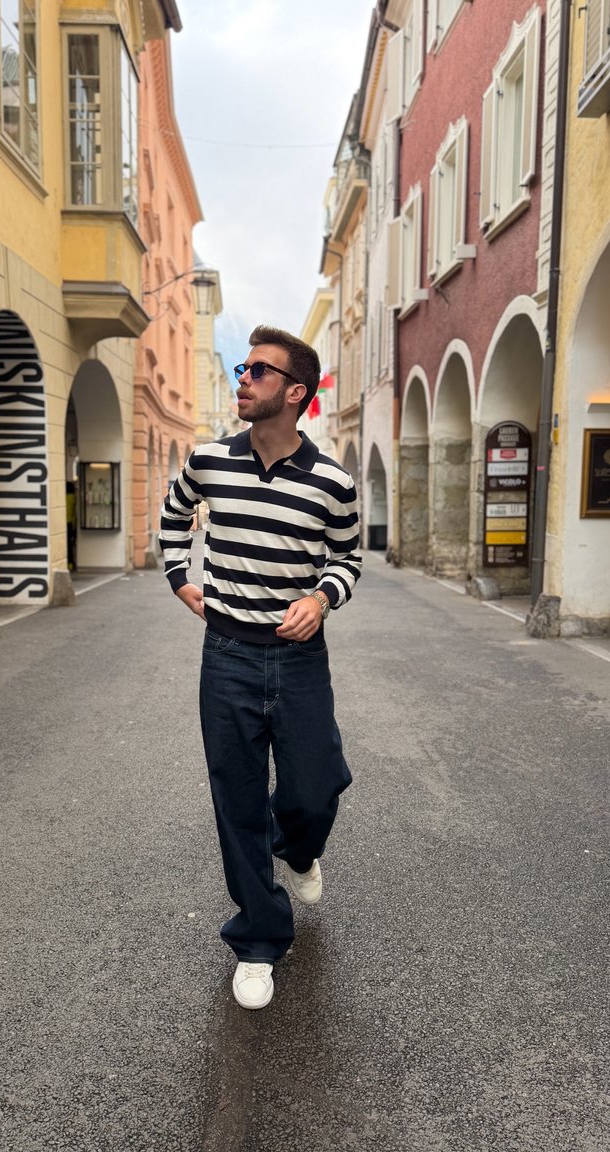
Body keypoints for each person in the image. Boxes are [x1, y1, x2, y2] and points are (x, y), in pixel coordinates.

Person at [159, 325, 362, 1009]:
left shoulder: (333, 482)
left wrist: (321, 595)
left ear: (296, 391)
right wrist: (178, 577)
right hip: (229, 653)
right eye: (242, 368)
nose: (242, 379)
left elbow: (347, 558)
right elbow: (173, 515)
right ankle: (257, 937)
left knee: (314, 786)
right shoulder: (208, 459)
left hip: (300, 658)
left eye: (259, 371)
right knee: (236, 798)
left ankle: (298, 849)